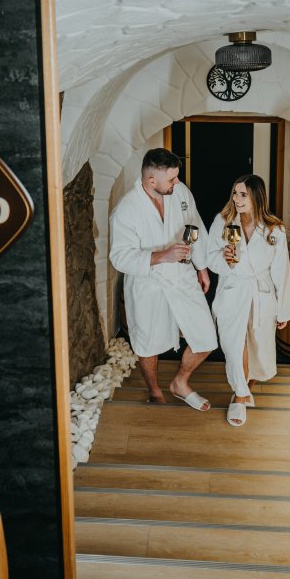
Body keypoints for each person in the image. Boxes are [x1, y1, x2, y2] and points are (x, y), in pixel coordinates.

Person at [109, 148, 218, 410]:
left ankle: (180, 382)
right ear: (151, 181)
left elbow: (195, 227)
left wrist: (202, 267)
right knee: (148, 343)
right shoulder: (126, 209)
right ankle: (155, 391)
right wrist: (161, 256)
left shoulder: (180, 193)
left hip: (182, 276)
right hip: (149, 284)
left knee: (206, 337)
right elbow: (119, 257)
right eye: (171, 178)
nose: (177, 182)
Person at [207, 174, 290, 426]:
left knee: (258, 348)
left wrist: (284, 310)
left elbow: (281, 270)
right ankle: (240, 396)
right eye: (235, 193)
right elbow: (209, 258)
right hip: (232, 291)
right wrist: (224, 258)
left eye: (243, 194)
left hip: (261, 295)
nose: (237, 199)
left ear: (257, 196)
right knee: (235, 346)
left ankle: (244, 389)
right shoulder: (223, 222)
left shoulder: (274, 229)